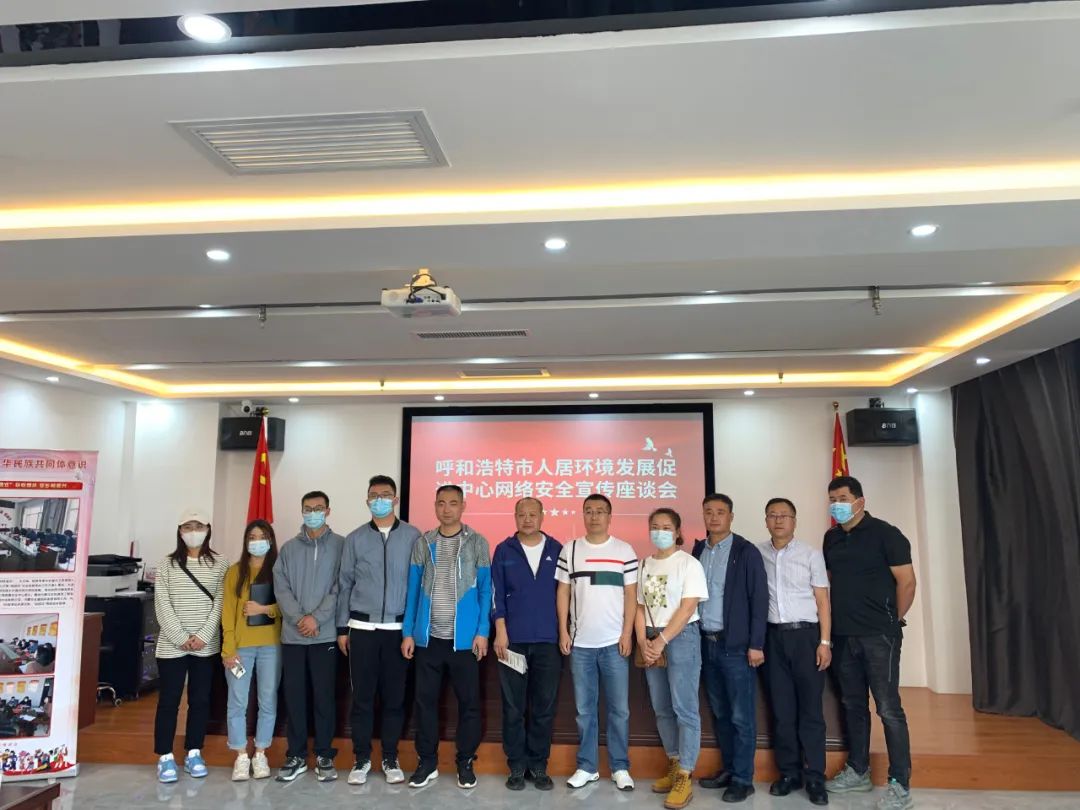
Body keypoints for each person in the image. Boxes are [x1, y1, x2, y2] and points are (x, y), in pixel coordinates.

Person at [823, 476, 917, 810]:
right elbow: (830, 583)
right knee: (853, 705)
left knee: (888, 709)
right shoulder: (831, 538)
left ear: (860, 501)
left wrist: (892, 620)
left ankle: (900, 785)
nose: (837, 504)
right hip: (843, 636)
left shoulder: (887, 534)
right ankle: (858, 771)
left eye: (843, 498)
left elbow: (907, 582)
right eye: (833, 499)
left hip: (879, 636)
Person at [401, 485, 492, 790]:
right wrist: (408, 633)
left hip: (464, 642)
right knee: (424, 703)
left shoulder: (477, 542)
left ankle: (465, 761)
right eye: (441, 503)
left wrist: (482, 631)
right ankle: (427, 763)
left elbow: (485, 590)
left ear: (463, 506)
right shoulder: (423, 543)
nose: (447, 509)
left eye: (453, 503)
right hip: (428, 640)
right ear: (435, 506)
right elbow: (413, 591)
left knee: (469, 704)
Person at [336, 475, 421, 786]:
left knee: (394, 699)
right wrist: (342, 628)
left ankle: (389, 757)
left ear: (395, 500)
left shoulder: (413, 536)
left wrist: (411, 629)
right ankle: (361, 759)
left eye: (386, 495)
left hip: (398, 629)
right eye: (374, 495)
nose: (380, 500)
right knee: (362, 698)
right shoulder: (355, 539)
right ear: (367, 500)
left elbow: (418, 585)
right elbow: (345, 584)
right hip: (362, 628)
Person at [555, 493, 637, 792]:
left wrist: (627, 634)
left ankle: (620, 767)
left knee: (619, 710)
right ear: (583, 515)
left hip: (614, 644)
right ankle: (587, 767)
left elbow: (631, 595)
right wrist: (563, 631)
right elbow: (563, 592)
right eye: (588, 511)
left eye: (600, 511)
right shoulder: (571, 549)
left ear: (610, 516)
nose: (594, 516)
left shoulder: (624, 550)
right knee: (585, 710)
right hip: (581, 645)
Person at [693, 493, 767, 804]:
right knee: (721, 713)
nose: (714, 517)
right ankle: (729, 769)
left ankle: (743, 779)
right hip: (706, 644)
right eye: (708, 512)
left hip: (735, 647)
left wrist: (756, 644)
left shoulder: (745, 551)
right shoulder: (699, 550)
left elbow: (759, 600)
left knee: (740, 716)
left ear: (731, 517)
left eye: (720, 512)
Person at [757, 498, 831, 806]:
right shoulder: (757, 554)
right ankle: (788, 773)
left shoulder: (811, 555)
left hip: (806, 638)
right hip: (772, 638)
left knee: (811, 711)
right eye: (772, 515)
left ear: (794, 521)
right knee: (782, 710)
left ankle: (815, 776)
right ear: (766, 521)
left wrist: (824, 642)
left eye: (784, 515)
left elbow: (823, 601)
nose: (778, 520)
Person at [637, 508, 708, 810]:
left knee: (684, 708)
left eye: (666, 527)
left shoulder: (689, 564)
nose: (660, 532)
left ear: (678, 532)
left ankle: (685, 775)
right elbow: (640, 607)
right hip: (651, 639)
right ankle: (674, 762)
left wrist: (661, 641)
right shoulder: (644, 564)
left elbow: (688, 607)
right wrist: (643, 642)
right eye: (655, 526)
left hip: (681, 638)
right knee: (662, 708)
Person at [152, 508, 229, 784]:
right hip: (172, 645)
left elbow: (220, 602)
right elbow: (162, 604)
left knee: (200, 700)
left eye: (198, 526)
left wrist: (204, 635)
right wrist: (181, 637)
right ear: (179, 531)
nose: (193, 532)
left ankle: (194, 752)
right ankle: (165, 756)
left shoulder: (221, 563)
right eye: (187, 527)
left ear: (208, 529)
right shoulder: (166, 564)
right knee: (169, 701)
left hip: (206, 646)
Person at [491, 497, 562, 791]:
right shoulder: (504, 549)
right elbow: (496, 592)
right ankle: (517, 766)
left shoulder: (557, 549)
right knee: (513, 707)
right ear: (515, 517)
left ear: (543, 516)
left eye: (533, 514)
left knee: (544, 707)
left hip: (548, 641)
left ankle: (538, 765)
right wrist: (500, 631)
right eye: (522, 514)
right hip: (512, 642)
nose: (528, 519)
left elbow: (565, 595)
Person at [273, 491, 345, 783]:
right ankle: (297, 755)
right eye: (307, 508)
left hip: (324, 636)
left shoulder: (341, 546)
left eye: (318, 508)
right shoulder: (289, 549)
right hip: (293, 637)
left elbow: (341, 586)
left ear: (328, 511)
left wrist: (317, 618)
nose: (313, 512)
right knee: (295, 698)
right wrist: (300, 619)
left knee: (324, 698)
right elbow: (281, 588)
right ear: (301, 511)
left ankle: (325, 754)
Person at [221, 519, 282, 782]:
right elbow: (227, 613)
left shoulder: (280, 569)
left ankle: (260, 753)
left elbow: (288, 607)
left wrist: (264, 609)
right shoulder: (235, 572)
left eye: (262, 536)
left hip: (271, 646)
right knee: (237, 701)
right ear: (246, 541)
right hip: (241, 648)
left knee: (268, 700)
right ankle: (240, 756)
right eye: (252, 537)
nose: (257, 541)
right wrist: (228, 649)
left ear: (271, 540)